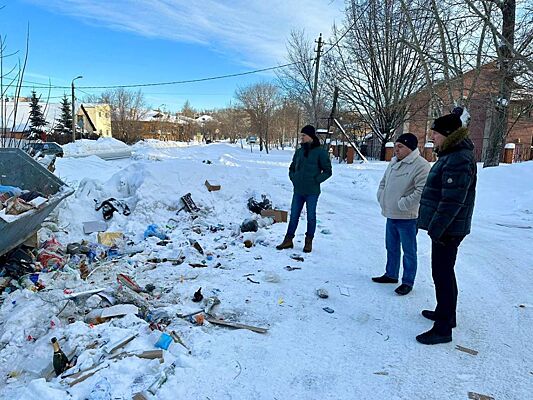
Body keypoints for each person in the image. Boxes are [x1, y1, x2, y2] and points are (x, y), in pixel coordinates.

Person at [416, 110, 477, 345]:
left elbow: (452, 200)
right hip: (447, 227)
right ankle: (446, 315)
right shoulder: (452, 154)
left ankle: (442, 329)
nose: (432, 136)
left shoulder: (458, 158)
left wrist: (438, 228)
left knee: (442, 274)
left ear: (448, 134)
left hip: (448, 229)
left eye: (436, 133)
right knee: (443, 272)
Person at [373, 133, 431, 295]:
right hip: (391, 214)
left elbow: (421, 191)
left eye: (400, 147)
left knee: (409, 251)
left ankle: (408, 281)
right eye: (396, 146)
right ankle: (391, 274)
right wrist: (381, 196)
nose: (396, 150)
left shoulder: (421, 165)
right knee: (391, 247)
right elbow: (384, 182)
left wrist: (403, 204)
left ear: (410, 148)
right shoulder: (394, 162)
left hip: (408, 217)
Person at [276, 125, 332, 253]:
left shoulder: (320, 152)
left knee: (311, 217)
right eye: (301, 135)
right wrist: (293, 177)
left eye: (303, 135)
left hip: (312, 192)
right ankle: (288, 240)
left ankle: (308, 242)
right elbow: (292, 168)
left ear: (310, 137)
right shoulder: (299, 152)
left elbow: (328, 171)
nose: (301, 137)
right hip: (298, 191)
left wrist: (316, 180)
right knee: (294, 215)